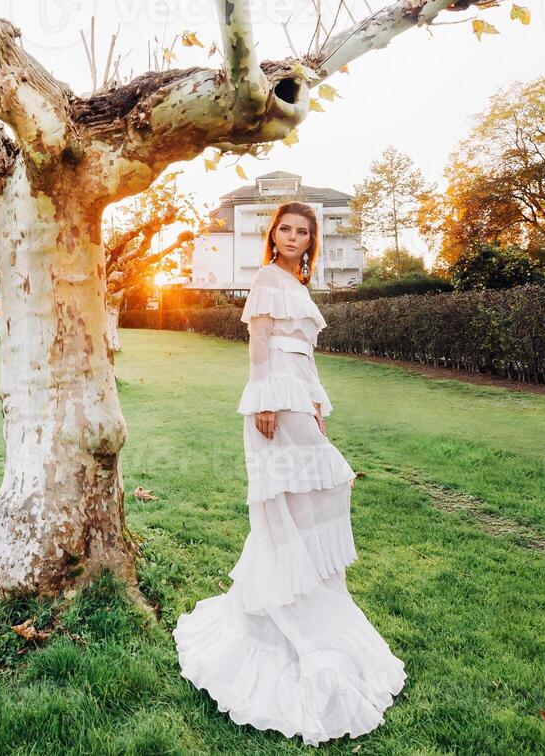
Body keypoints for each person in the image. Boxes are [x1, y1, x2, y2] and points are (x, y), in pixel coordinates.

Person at [173, 200, 406, 746]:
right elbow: (260, 344)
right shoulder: (266, 278)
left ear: (311, 239)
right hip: (273, 396)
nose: (295, 236)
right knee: (304, 492)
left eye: (304, 231)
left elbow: (305, 354)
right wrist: (266, 401)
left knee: (324, 487)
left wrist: (317, 401)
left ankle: (309, 592)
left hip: (300, 392)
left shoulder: (298, 284)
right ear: (272, 233)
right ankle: (286, 600)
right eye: (287, 229)